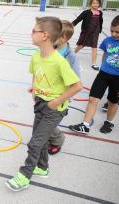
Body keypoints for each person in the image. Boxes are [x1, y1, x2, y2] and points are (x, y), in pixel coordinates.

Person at [6, 17, 82, 191]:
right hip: (40, 103)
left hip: (54, 108)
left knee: (34, 142)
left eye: (34, 31)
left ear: (45, 36)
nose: (31, 33)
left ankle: (25, 176)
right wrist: (34, 87)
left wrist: (56, 102)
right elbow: (36, 72)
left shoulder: (59, 62)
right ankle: (42, 167)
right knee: (40, 139)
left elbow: (77, 86)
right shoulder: (36, 56)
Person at [70, 15, 119, 135]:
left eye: (117, 32)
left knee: (113, 101)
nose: (114, 34)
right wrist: (103, 66)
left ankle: (109, 122)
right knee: (92, 98)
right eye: (112, 31)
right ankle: (85, 125)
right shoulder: (108, 41)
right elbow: (105, 54)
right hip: (103, 74)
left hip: (117, 79)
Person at [48, 20, 81, 155]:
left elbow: (76, 81)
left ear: (63, 38)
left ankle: (57, 140)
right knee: (43, 119)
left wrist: (63, 99)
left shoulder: (70, 57)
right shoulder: (51, 48)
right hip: (47, 91)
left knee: (48, 123)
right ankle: (48, 136)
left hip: (60, 97)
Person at [72, 0, 103, 70]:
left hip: (95, 33)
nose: (95, 5)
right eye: (94, 3)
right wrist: (70, 25)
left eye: (97, 3)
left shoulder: (100, 13)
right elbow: (78, 19)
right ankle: (72, 54)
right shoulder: (86, 12)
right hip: (87, 32)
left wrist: (99, 30)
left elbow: (100, 22)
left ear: (99, 4)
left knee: (94, 46)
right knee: (81, 45)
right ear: (91, 4)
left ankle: (94, 63)